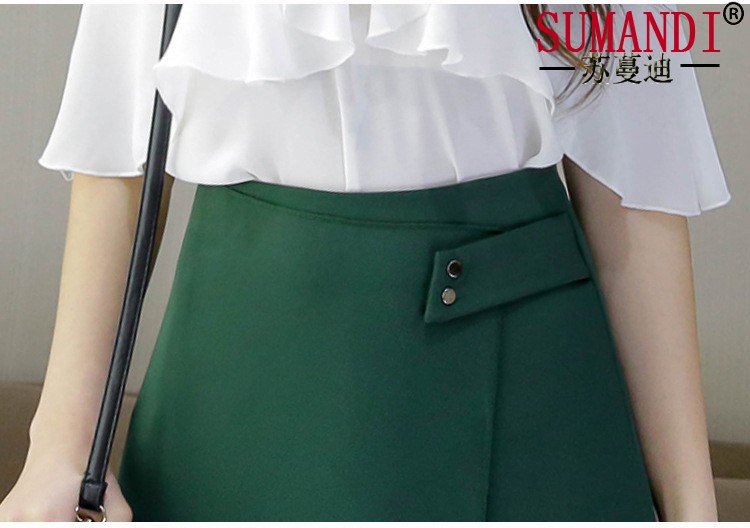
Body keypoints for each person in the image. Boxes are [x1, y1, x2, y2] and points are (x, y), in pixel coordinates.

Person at [0, 3, 731, 522]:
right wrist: (59, 447)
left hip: (532, 402)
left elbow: (637, 184)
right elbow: (118, 148)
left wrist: (693, 508)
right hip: (240, 387)